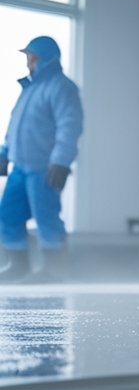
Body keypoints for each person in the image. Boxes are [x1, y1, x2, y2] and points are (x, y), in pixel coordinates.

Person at [0, 36, 84, 283]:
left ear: (47, 58)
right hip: (20, 168)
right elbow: (14, 127)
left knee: (46, 217)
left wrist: (60, 161)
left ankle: (55, 270)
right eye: (28, 57)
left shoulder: (62, 87)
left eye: (32, 57)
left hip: (43, 168)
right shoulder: (29, 90)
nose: (29, 62)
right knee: (7, 215)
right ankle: (18, 266)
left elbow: (69, 126)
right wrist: (4, 153)